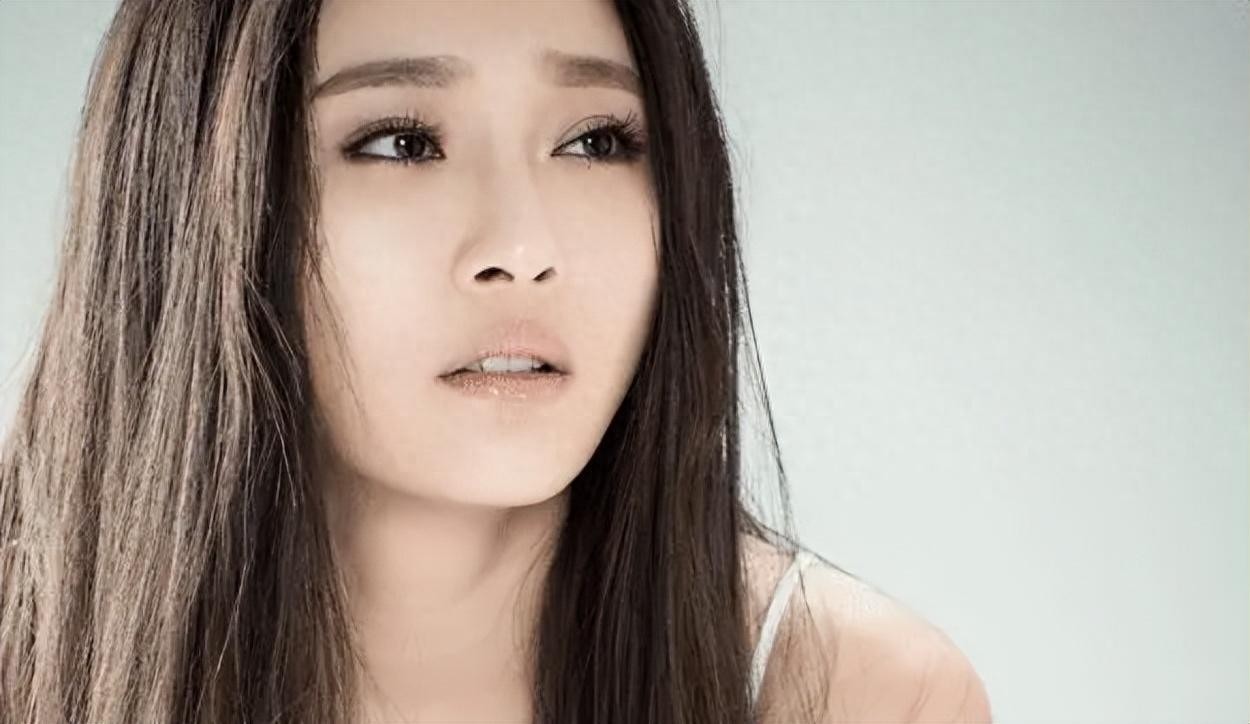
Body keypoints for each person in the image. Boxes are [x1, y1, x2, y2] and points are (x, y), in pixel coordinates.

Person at [0, 1, 990, 722]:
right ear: (190, 194)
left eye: (596, 140)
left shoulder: (855, 695)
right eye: (400, 142)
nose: (522, 246)